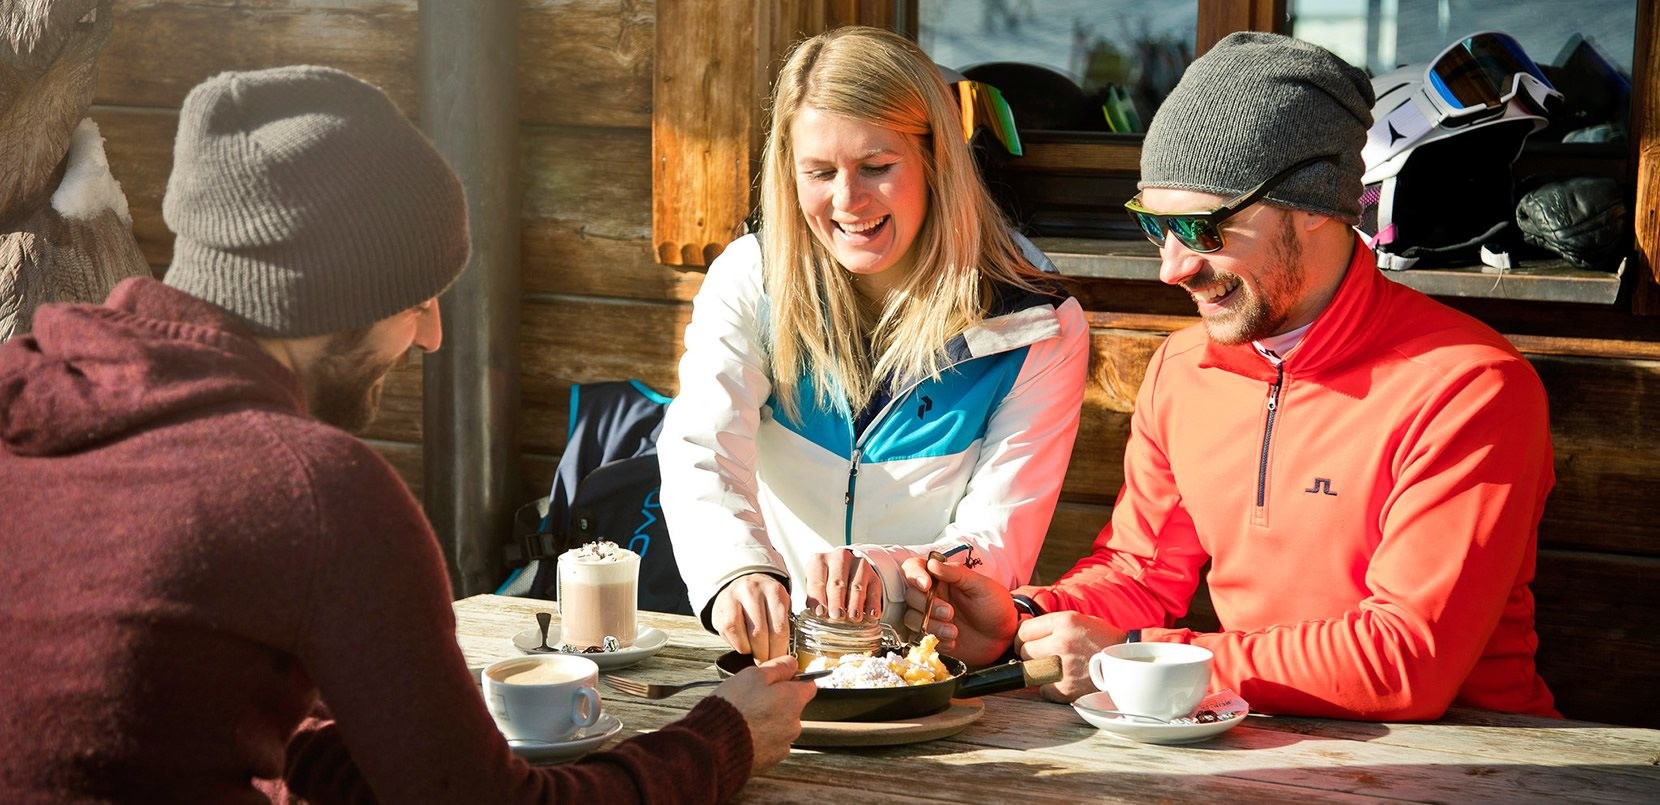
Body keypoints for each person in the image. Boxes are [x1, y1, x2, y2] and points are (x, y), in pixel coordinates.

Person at [0, 65, 815, 803]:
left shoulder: (21, 391)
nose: (431, 334)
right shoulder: (317, 490)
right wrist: (722, 737)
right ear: (333, 294)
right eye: (418, 296)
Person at [907, 32, 1559, 722]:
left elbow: (1405, 660)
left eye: (1202, 228)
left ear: (1314, 204)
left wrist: (1138, 654)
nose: (1173, 267)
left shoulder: (1469, 387)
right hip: (1248, 740)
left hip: (1475, 759)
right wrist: (1026, 615)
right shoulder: (1185, 369)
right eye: (1155, 229)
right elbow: (1141, 570)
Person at [659, 25, 1089, 661]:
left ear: (937, 161)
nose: (847, 199)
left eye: (877, 167)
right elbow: (703, 447)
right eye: (819, 172)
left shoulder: (1034, 323)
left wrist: (881, 574)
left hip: (931, 665)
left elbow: (997, 538)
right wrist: (737, 570)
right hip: (779, 655)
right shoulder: (751, 278)